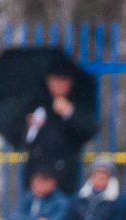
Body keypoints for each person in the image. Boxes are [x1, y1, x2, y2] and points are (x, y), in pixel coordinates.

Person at [25, 67, 97, 195]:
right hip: (38, 172)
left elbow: (88, 131)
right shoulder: (37, 102)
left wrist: (69, 113)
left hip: (65, 172)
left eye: (63, 81)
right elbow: (24, 141)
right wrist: (32, 128)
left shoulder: (80, 100)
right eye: (54, 80)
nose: (58, 85)